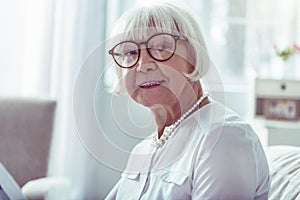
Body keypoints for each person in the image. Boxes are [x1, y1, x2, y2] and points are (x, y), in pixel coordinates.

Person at [105, 1, 270, 199]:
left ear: (193, 54)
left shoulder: (223, 137)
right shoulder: (143, 150)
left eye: (161, 47)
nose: (143, 65)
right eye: (130, 52)